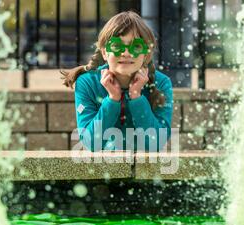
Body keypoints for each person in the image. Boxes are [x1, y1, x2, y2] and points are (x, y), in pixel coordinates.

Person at [60, 11, 173, 152]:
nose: (126, 53)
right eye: (116, 46)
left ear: (146, 54)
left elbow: (156, 143)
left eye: (136, 46)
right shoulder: (88, 83)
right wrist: (112, 100)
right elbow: (91, 143)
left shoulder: (161, 83)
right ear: (104, 52)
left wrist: (137, 97)